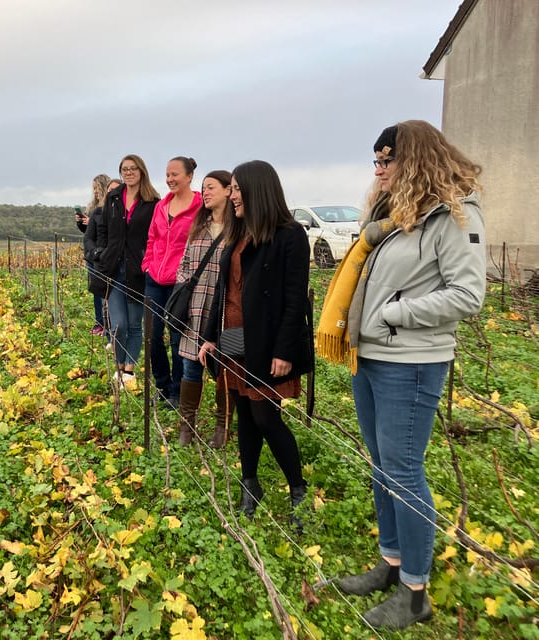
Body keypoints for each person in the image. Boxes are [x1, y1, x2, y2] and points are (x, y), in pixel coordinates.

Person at [317, 121, 486, 630]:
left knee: (404, 474)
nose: (379, 171)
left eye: (387, 161)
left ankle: (416, 591)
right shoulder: (391, 217)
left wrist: (395, 312)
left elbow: (467, 294)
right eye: (375, 162)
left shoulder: (452, 216)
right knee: (382, 465)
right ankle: (390, 564)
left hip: (411, 362)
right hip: (372, 357)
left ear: (413, 161)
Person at [198, 161, 312, 528]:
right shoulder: (238, 233)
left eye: (235, 189)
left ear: (256, 189)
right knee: (243, 411)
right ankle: (251, 485)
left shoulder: (290, 235)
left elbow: (295, 300)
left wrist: (284, 350)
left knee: (266, 415)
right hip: (234, 334)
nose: (231, 196)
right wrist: (212, 337)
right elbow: (225, 291)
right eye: (229, 189)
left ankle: (298, 490)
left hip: (266, 339)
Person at [176, 169, 234, 446]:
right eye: (204, 188)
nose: (206, 192)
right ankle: (186, 426)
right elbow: (185, 263)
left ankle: (223, 427)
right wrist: (185, 286)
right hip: (196, 309)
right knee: (190, 367)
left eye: (211, 187)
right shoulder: (199, 226)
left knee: (225, 369)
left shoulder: (241, 228)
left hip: (226, 309)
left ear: (228, 190)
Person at [92, 155, 160, 387]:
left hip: (138, 271)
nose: (128, 173)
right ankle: (119, 365)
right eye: (124, 169)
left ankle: (128, 371)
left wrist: (148, 260)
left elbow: (156, 235)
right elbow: (103, 229)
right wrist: (101, 252)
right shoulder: (113, 197)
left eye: (133, 169)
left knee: (134, 324)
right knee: (118, 324)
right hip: (114, 269)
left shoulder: (152, 202)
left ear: (142, 171)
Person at [142, 157, 201, 408]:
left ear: (189, 177)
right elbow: (152, 238)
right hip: (154, 279)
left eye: (175, 174)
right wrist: (147, 265)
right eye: (167, 175)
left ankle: (178, 391)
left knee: (178, 338)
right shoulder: (161, 206)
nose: (170, 179)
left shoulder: (200, 207)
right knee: (153, 337)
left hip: (181, 283)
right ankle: (163, 386)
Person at [80, 173, 113, 336]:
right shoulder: (93, 208)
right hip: (92, 254)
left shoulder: (109, 207)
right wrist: (82, 224)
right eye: (93, 188)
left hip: (103, 256)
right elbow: (89, 234)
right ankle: (100, 322)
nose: (94, 191)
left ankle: (107, 325)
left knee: (104, 292)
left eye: (96, 187)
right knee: (97, 291)